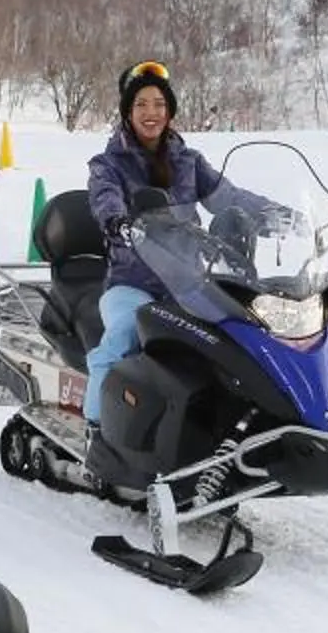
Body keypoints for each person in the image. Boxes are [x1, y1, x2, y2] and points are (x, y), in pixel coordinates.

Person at [81, 60, 290, 451]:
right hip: (133, 282)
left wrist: (275, 214)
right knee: (124, 333)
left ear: (170, 110)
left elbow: (228, 197)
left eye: (159, 104)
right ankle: (96, 432)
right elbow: (104, 199)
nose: (151, 113)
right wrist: (118, 223)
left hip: (188, 283)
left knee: (237, 336)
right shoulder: (108, 165)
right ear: (128, 112)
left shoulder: (188, 162)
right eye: (141, 104)